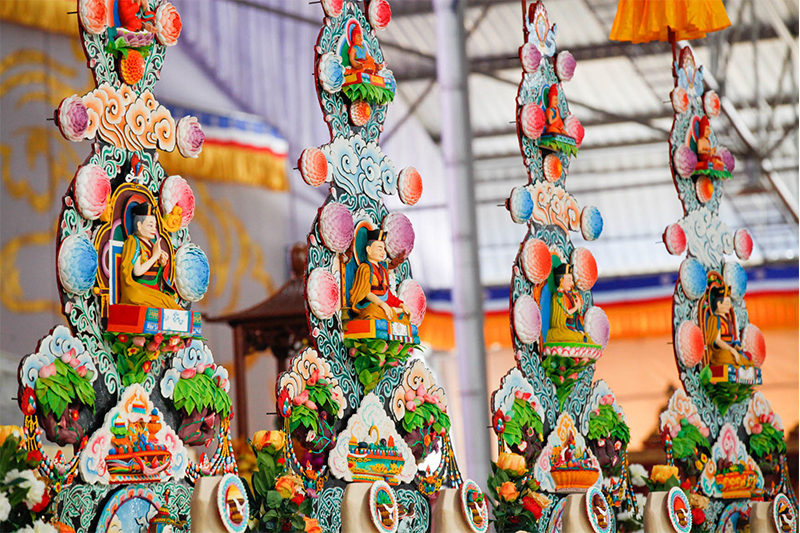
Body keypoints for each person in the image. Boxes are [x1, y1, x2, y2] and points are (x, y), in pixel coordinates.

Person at [119, 202, 182, 309]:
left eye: (155, 226)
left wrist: (162, 265)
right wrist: (154, 257)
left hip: (152, 289)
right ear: (139, 225)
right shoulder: (134, 242)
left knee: (168, 301)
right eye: (150, 225)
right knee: (164, 301)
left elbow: (158, 275)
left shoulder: (152, 245)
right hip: (138, 289)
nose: (154, 229)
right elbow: (137, 271)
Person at [349, 229, 410, 325]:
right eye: (379, 249)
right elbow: (365, 293)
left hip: (385, 304)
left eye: (384, 249)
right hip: (370, 305)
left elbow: (387, 294)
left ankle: (393, 311)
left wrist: (400, 304)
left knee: (404, 316)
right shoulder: (365, 268)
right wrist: (381, 304)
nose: (383, 253)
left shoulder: (383, 269)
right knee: (374, 311)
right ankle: (392, 311)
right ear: (369, 250)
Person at [545, 263, 596, 345]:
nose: (572, 283)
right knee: (578, 338)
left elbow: (577, 315)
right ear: (561, 280)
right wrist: (575, 307)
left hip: (571, 328)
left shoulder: (569, 296)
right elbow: (565, 314)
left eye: (572, 280)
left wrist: (578, 306)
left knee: (586, 337)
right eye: (569, 280)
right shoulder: (558, 297)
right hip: (560, 329)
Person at [705, 286, 752, 367]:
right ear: (719, 304)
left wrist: (736, 346)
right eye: (727, 303)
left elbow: (733, 337)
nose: (730, 306)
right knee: (728, 357)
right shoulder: (715, 319)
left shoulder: (728, 319)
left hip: (730, 349)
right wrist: (731, 349)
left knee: (747, 358)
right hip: (719, 352)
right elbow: (717, 340)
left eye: (729, 303)